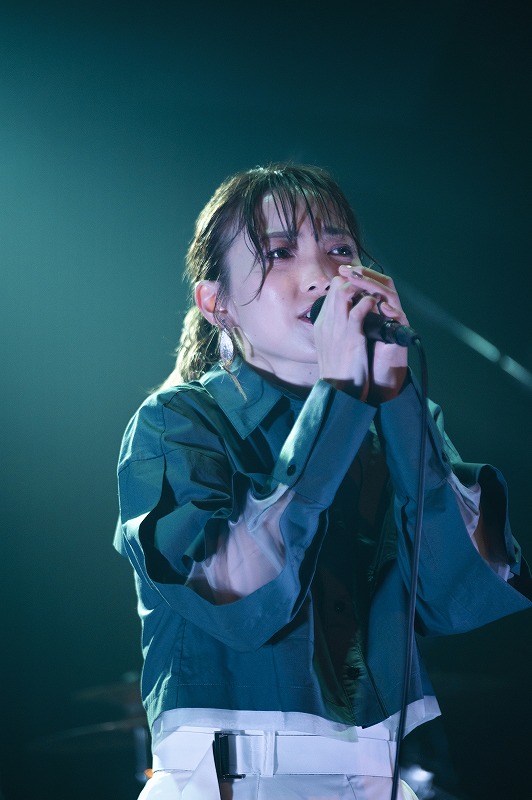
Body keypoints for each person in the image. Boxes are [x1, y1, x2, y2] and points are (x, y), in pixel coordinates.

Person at [114, 163, 531, 800]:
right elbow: (237, 598)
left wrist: (397, 399)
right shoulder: (177, 423)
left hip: (377, 779)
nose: (322, 275)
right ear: (216, 303)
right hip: (233, 782)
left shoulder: (395, 423)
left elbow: (460, 594)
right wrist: (342, 394)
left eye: (339, 250)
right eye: (279, 253)